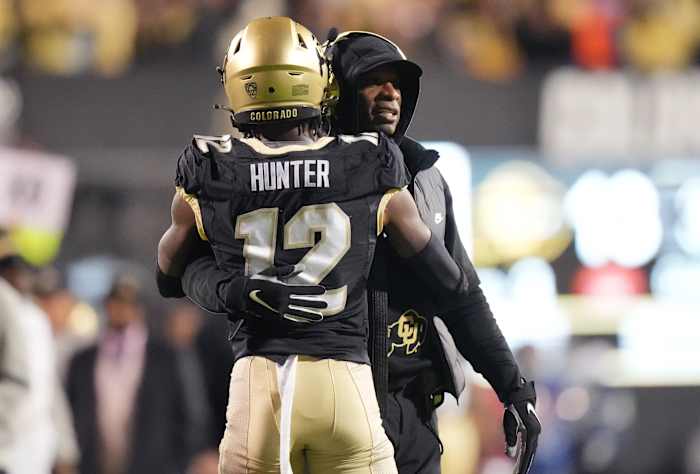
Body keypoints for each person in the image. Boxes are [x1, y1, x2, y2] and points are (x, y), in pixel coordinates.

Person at [176, 29, 541, 474]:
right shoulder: (276, 168)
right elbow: (189, 269)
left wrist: (512, 386)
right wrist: (235, 291)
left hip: (408, 406)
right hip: (323, 392)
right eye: (373, 81)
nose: (391, 94)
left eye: (398, 83)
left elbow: (462, 297)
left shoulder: (423, 177)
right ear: (331, 88)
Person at [66, 275, 191, 474]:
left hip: (152, 466)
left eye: (129, 305)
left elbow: (185, 413)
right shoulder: (83, 360)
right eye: (115, 303)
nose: (121, 311)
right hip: (94, 464)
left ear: (140, 309)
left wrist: (179, 463)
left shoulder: (164, 357)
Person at [0, 230, 79, 474]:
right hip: (9, 445)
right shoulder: (9, 305)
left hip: (35, 447)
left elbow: (47, 385)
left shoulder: (34, 318)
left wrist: (65, 447)